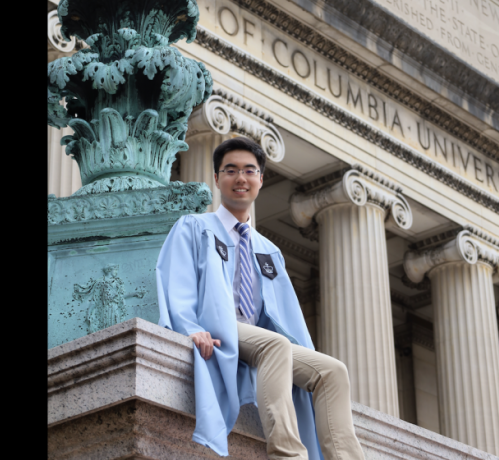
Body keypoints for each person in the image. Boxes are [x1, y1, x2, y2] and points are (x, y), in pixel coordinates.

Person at [156, 137, 365, 460]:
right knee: (275, 346)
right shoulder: (195, 227)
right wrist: (189, 326)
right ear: (217, 178)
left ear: (260, 179)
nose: (241, 178)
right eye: (231, 170)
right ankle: (287, 454)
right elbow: (177, 281)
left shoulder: (269, 250)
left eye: (249, 171)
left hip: (259, 338)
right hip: (219, 326)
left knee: (332, 371)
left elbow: (283, 314)